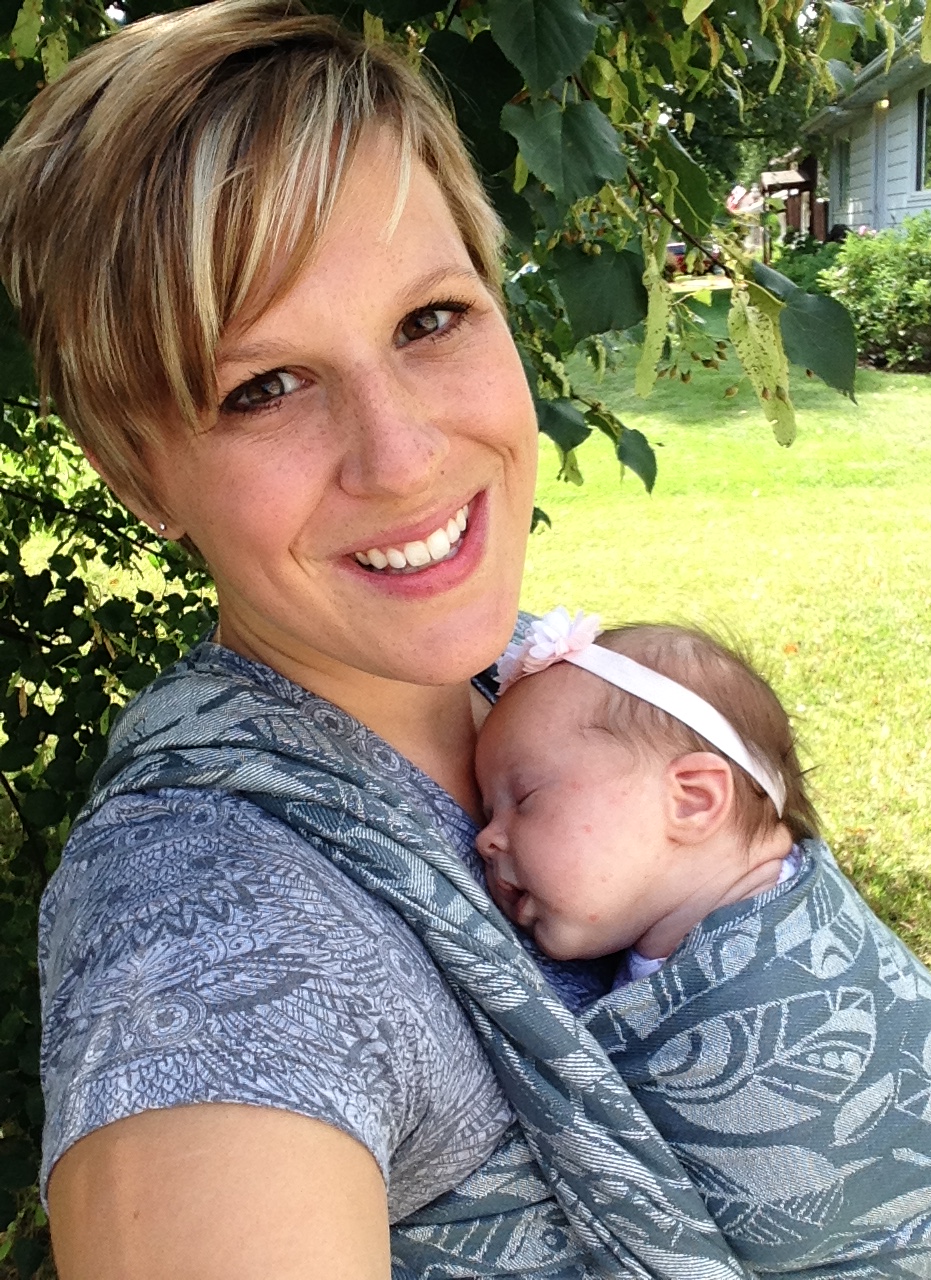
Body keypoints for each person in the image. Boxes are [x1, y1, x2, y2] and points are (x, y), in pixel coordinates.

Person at [0, 4, 756, 1278]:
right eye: (263, 387)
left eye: (429, 320)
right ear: (135, 472)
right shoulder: (203, 935)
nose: (401, 458)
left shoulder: (559, 681)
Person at [475, 609, 931, 1275]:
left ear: (694, 800)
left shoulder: (774, 974)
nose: (486, 838)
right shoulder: (699, 910)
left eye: (524, 798)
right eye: (487, 809)